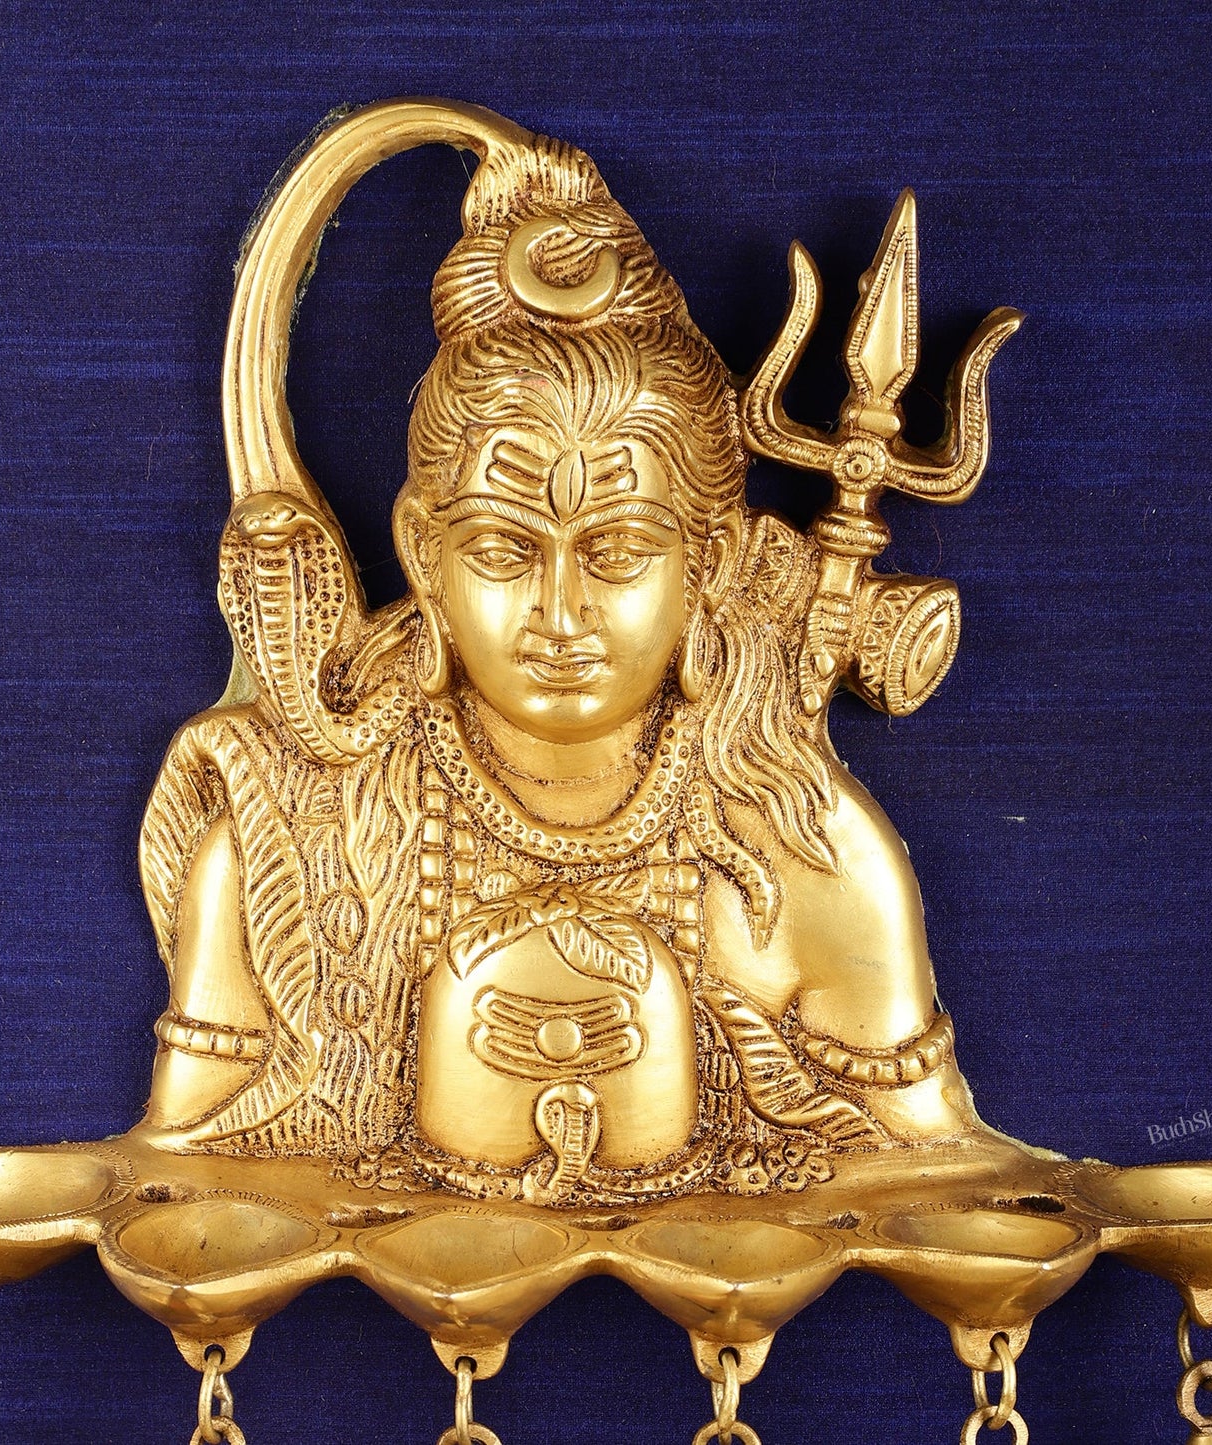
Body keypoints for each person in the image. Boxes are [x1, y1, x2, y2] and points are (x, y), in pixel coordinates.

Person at [134, 123, 984, 1205]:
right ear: (422, 554)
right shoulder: (286, 841)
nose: (560, 612)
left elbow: (937, 1179)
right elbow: (181, 1188)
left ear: (709, 561)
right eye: (502, 549)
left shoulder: (809, 857)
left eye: (618, 550)